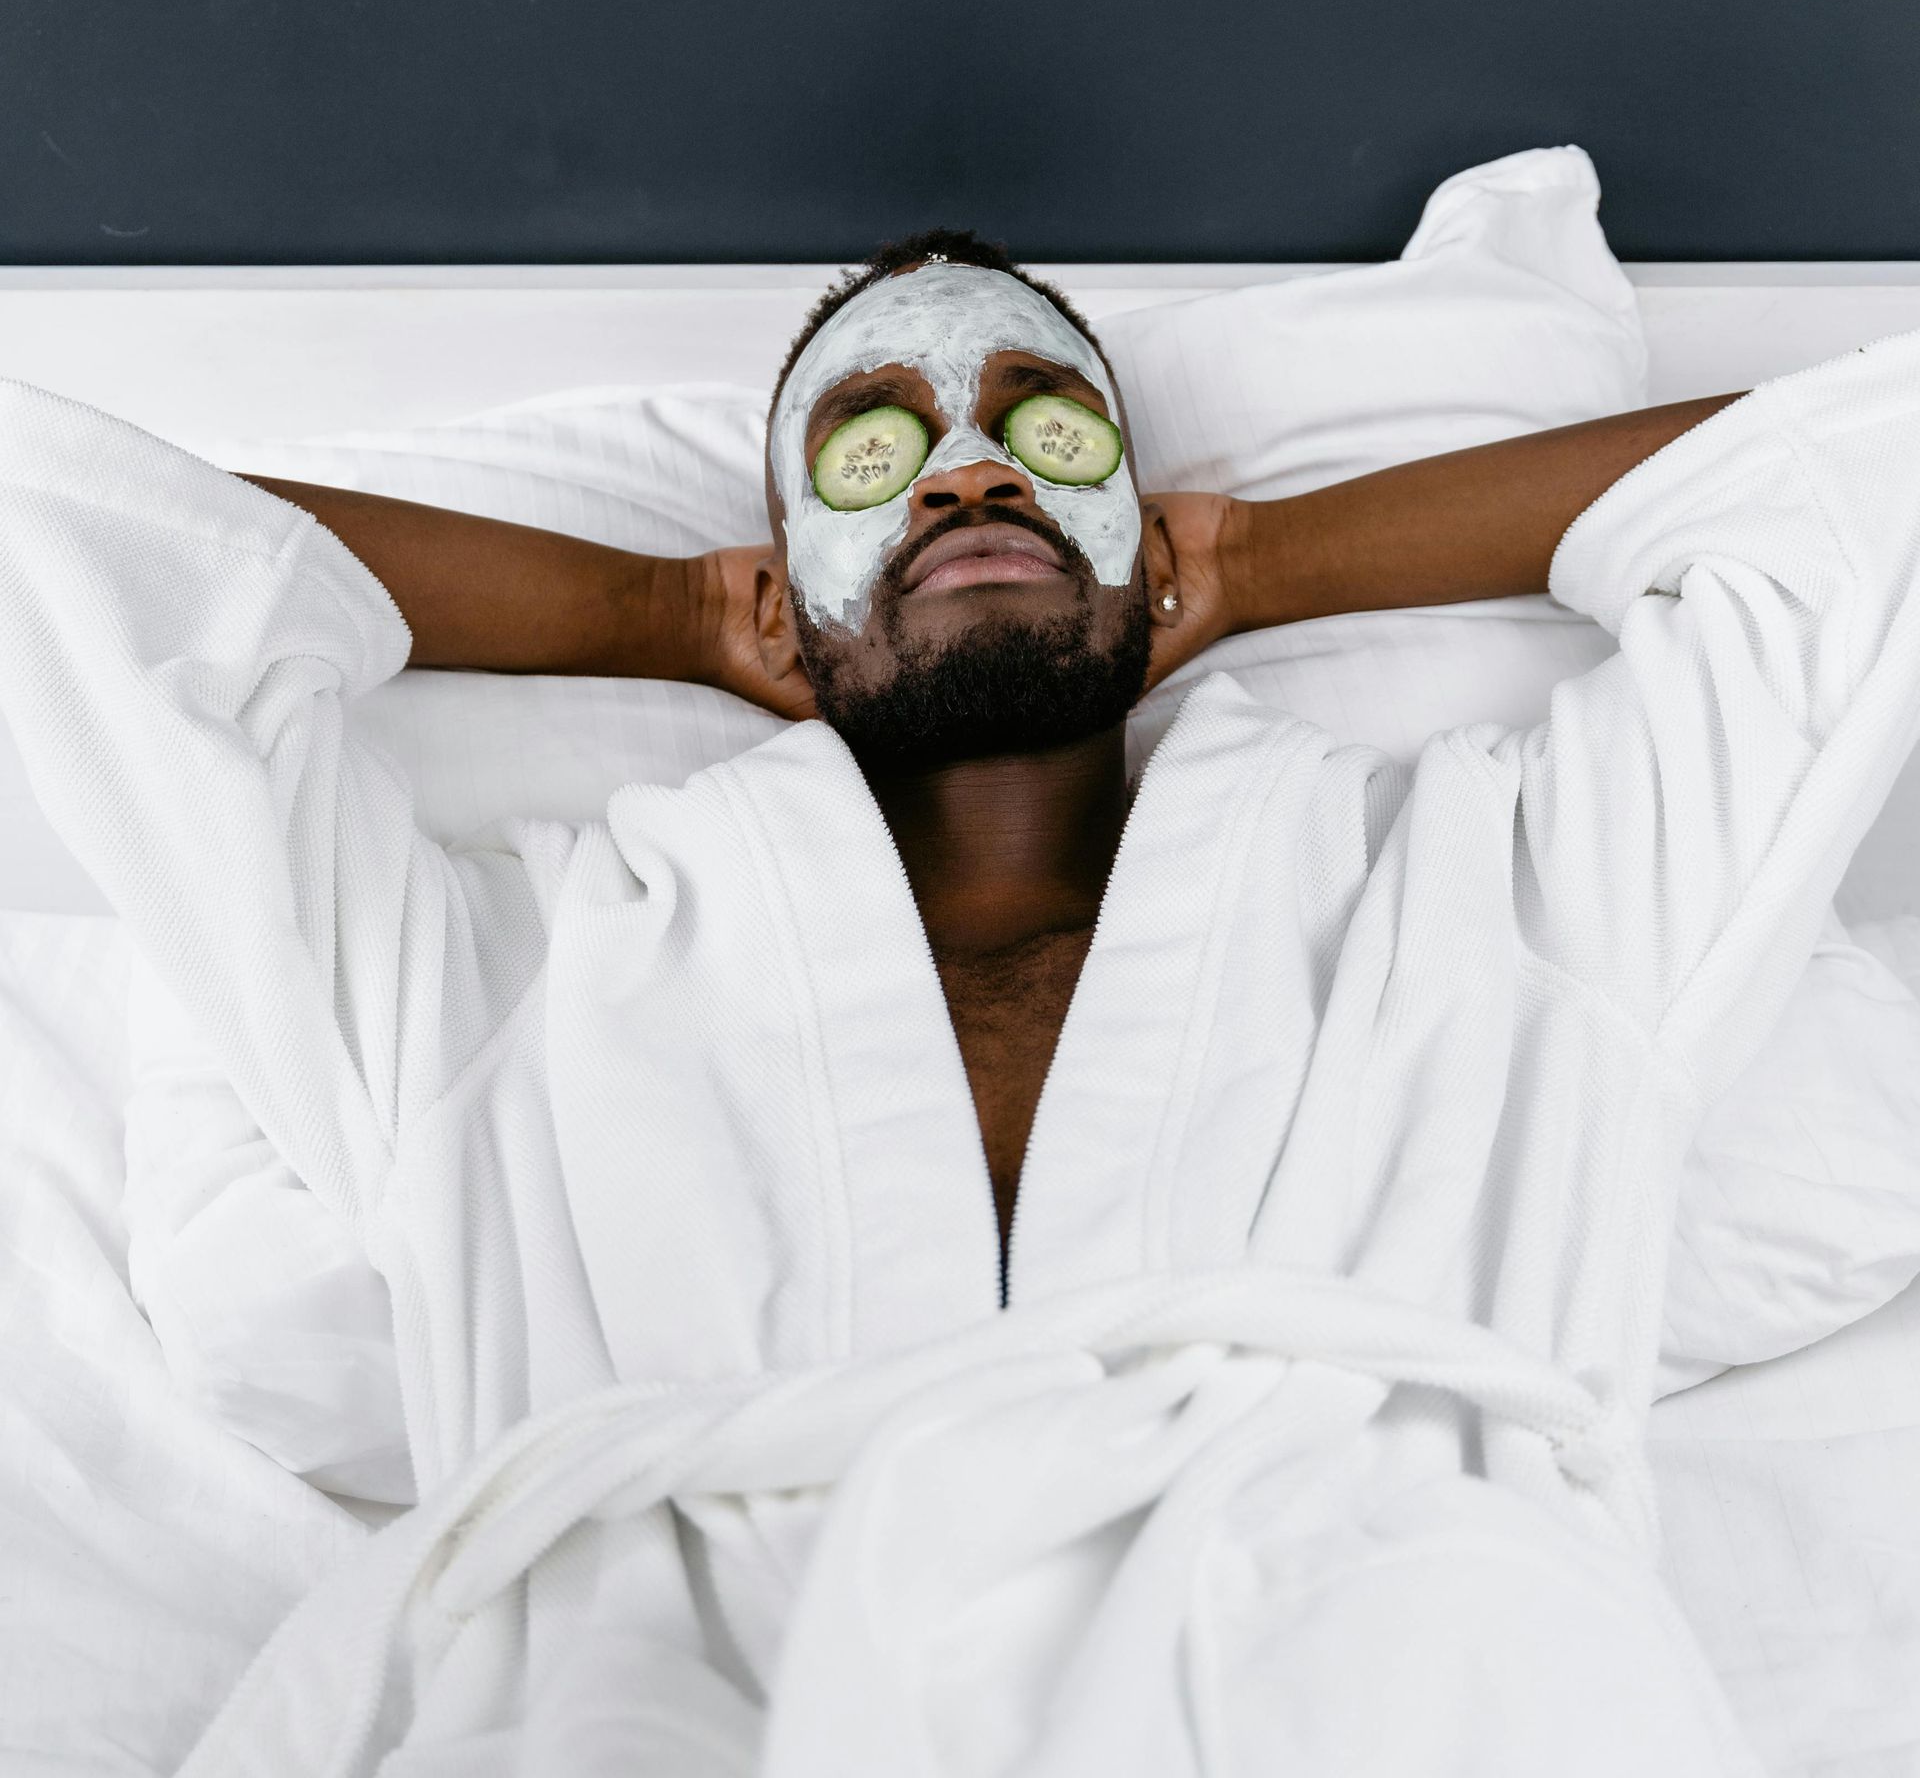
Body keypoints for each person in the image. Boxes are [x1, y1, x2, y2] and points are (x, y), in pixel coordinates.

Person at [2, 226, 1917, 1776]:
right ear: (785, 580)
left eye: (1047, 429)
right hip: (658, 1677)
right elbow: (104, 574)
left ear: (1143, 523)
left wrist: (1261, 558)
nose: (972, 467)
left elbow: (1846, 498)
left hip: (1357, 1627)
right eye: (869, 451)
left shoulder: (1499, 890)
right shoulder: (528, 966)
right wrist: (651, 614)